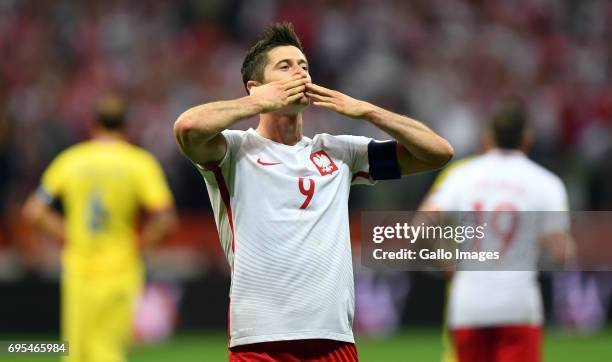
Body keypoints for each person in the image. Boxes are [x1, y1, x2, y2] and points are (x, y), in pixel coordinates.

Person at [173, 22, 453, 361]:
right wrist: (255, 104)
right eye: (285, 66)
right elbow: (188, 127)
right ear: (256, 87)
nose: (300, 74)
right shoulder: (234, 151)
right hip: (260, 341)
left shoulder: (340, 152)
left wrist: (368, 111)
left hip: (332, 338)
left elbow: (437, 152)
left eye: (304, 66)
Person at [23, 94, 177, 362]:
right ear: (126, 127)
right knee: (108, 351)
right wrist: (141, 246)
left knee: (76, 352)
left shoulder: (71, 160)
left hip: (79, 268)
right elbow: (165, 218)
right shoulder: (138, 162)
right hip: (120, 267)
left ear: (93, 125)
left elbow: (34, 211)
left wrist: (69, 234)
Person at [420, 99, 575, 362]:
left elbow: (422, 225)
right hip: (518, 304)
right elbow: (560, 253)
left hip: (468, 304)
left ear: (489, 136)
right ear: (527, 138)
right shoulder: (547, 183)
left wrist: (447, 265)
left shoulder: (461, 176)